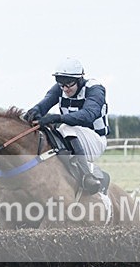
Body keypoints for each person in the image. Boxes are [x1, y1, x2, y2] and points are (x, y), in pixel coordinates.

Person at [23, 58, 110, 195]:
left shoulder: (95, 89)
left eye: (68, 84)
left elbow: (88, 115)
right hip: (75, 136)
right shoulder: (60, 88)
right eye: (61, 84)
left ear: (79, 79)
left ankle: (88, 176)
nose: (65, 89)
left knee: (65, 128)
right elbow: (44, 104)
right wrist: (34, 112)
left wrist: (57, 118)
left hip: (96, 140)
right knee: (49, 132)